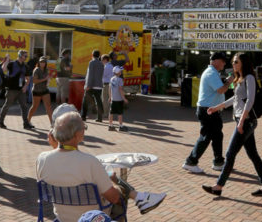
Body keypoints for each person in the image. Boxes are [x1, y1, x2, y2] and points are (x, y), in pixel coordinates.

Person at [36, 105, 166, 221]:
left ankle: (141, 198)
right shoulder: (90, 161)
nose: (84, 130)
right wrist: (115, 185)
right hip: (93, 217)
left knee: (109, 179)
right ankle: (140, 198)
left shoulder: (42, 159)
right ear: (78, 135)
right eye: (83, 128)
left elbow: (64, 168)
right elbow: (113, 198)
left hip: (62, 217)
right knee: (118, 190)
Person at [201, 53, 262, 197]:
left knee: (230, 154)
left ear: (243, 63)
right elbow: (235, 99)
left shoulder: (249, 78)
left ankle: (218, 186)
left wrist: (243, 121)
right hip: (242, 121)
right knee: (253, 154)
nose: (233, 64)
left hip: (246, 121)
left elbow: (250, 100)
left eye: (236, 62)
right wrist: (216, 107)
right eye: (233, 62)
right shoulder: (239, 79)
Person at [182, 51, 234, 174]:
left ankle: (218, 162)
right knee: (206, 136)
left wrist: (226, 82)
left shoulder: (213, 73)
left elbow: (219, 89)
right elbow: (221, 90)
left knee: (216, 136)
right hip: (208, 110)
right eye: (222, 61)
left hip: (211, 109)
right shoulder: (211, 73)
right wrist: (229, 82)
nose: (224, 64)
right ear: (215, 61)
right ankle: (191, 161)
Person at [0, 49, 33, 130]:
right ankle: (0, 121)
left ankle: (26, 123)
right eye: (25, 56)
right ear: (20, 56)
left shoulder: (25, 66)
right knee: (7, 106)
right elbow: (3, 69)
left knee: (24, 107)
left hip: (21, 90)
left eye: (26, 56)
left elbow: (28, 78)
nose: (26, 57)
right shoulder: (12, 64)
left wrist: (25, 87)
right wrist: (6, 60)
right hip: (11, 89)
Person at [28, 56, 54, 126]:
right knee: (34, 107)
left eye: (44, 62)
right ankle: (28, 120)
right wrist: (44, 79)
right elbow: (34, 81)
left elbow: (46, 79)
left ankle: (52, 123)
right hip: (37, 90)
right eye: (41, 62)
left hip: (45, 90)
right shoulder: (36, 70)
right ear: (39, 63)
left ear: (46, 63)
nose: (42, 63)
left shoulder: (46, 70)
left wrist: (48, 79)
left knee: (48, 106)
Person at [81, 50, 105, 122]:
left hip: (91, 85)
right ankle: (100, 117)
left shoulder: (91, 62)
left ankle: (83, 116)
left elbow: (90, 75)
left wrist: (88, 85)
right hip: (99, 85)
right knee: (98, 101)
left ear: (92, 55)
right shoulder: (101, 64)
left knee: (85, 101)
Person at [108, 66, 127, 132]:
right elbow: (120, 89)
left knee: (111, 112)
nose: (121, 72)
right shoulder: (120, 80)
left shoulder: (111, 79)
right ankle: (121, 126)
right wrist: (124, 98)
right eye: (120, 71)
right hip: (119, 99)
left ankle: (110, 125)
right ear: (118, 72)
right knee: (120, 113)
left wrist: (110, 97)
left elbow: (109, 89)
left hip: (113, 99)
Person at [100, 54, 114, 119]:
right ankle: (110, 114)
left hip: (106, 85)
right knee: (110, 99)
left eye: (102, 60)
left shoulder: (106, 67)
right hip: (111, 84)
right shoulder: (111, 66)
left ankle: (105, 114)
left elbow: (102, 75)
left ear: (105, 60)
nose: (101, 61)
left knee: (105, 100)